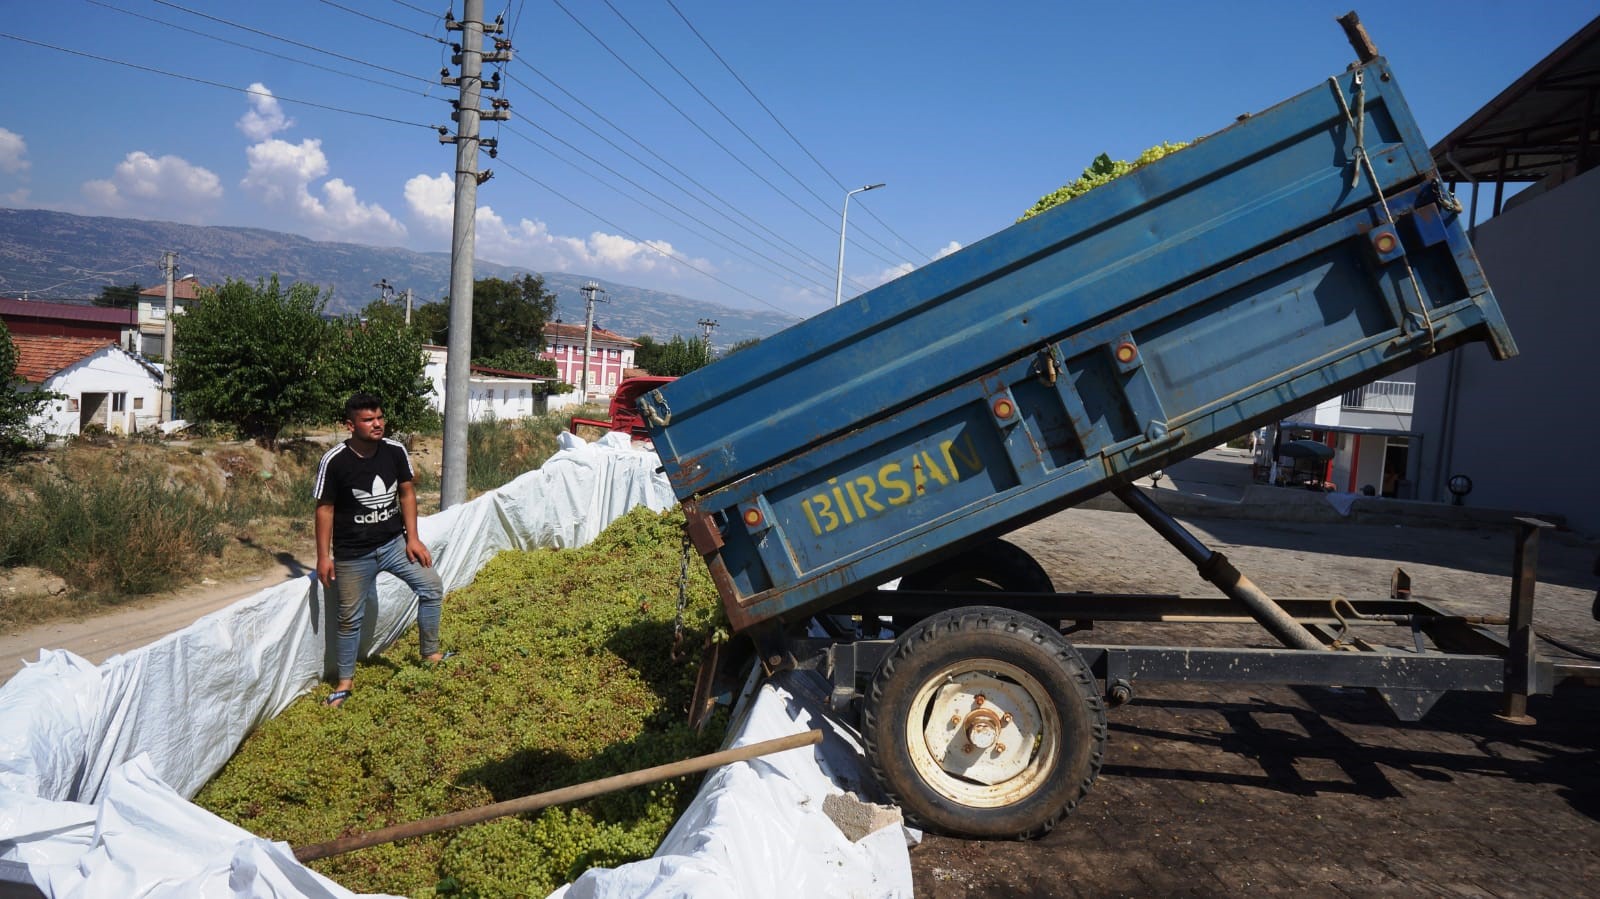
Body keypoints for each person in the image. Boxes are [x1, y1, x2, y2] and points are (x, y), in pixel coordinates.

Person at [314, 392, 445, 708]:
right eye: (368, 420)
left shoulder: (394, 451)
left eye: (380, 418)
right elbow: (324, 509)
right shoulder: (335, 461)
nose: (377, 424)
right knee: (348, 619)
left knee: (431, 587)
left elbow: (407, 493)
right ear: (350, 425)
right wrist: (323, 557)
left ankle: (431, 654)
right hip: (352, 555)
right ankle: (345, 682)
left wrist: (412, 538)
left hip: (393, 544)